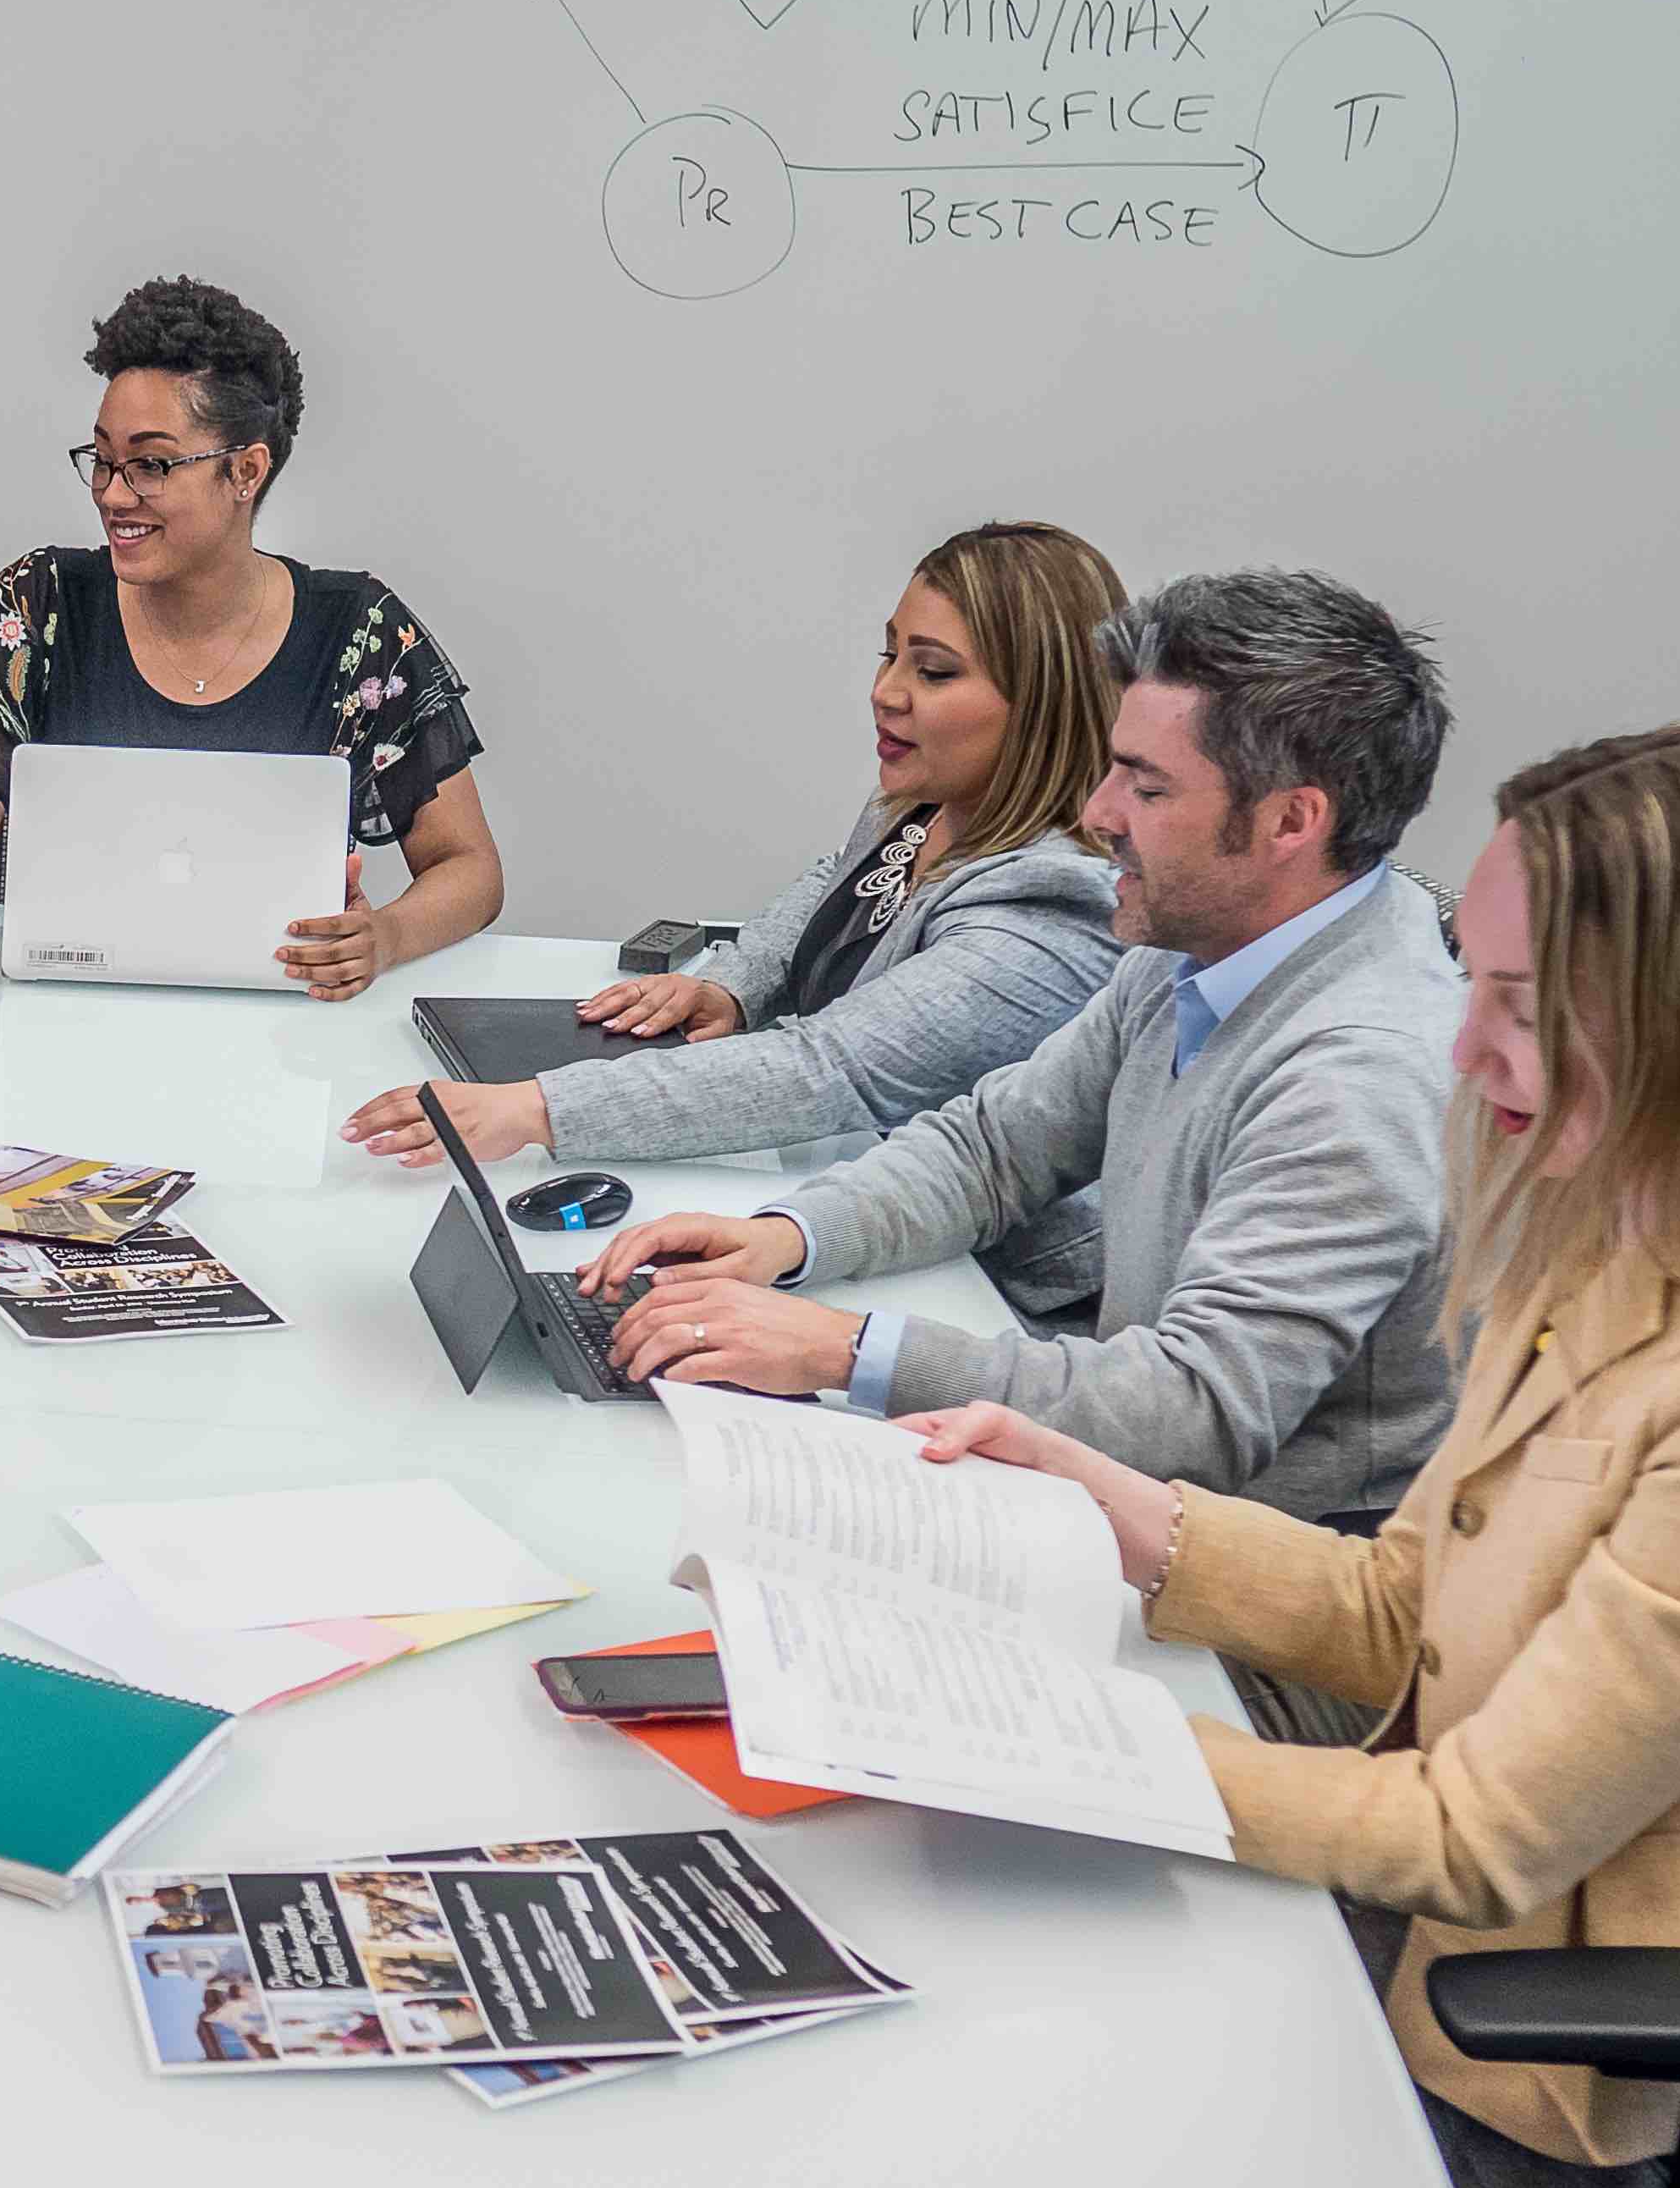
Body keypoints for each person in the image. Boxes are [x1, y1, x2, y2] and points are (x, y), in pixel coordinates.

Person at [900, 726, 1680, 2188]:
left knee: (1035, 2162)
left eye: (1522, 1009)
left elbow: (1481, 1833)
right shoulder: (1614, 1240)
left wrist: (1065, 1745)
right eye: (1469, 977)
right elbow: (1401, 1608)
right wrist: (1115, 1506)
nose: (1463, 1052)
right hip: (1443, 1959)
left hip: (1578, 2100)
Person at [587, 566, 1464, 1528]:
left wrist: (844, 1350)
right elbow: (996, 1147)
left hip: (1249, 1590)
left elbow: (1194, 1412)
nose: (1097, 813)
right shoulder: (1206, 941)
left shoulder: (1361, 1075)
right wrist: (785, 1238)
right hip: (1133, 1504)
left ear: (1292, 820)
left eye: (1147, 784)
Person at [340, 521, 1128, 1311]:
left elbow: (828, 1070)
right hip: (850, 1196)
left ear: (1042, 707)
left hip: (987, 1293)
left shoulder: (1045, 913)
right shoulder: (928, 801)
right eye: (890, 655)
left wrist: (531, 1109)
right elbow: (836, 886)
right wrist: (733, 986)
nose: (885, 692)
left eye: (933, 672)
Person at [0, 275, 507, 1007]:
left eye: (151, 464)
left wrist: (385, 937)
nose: (112, 492)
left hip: (284, 1034)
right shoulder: (37, 606)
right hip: (50, 1020)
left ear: (245, 471)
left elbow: (468, 867)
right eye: (102, 458)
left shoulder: (358, 633)